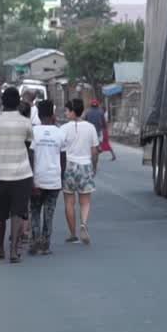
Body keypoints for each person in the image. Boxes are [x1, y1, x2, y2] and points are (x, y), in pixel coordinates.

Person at [0, 87, 35, 263]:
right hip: (22, 174)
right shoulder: (26, 123)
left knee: (0, 215)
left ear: (2, 102)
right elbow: (28, 146)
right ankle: (13, 251)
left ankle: (0, 246)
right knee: (17, 213)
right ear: (18, 102)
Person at [30, 100, 67, 255]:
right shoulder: (60, 133)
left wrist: (31, 179)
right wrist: (61, 177)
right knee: (49, 213)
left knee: (35, 211)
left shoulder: (33, 132)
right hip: (54, 180)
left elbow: (31, 156)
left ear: (38, 115)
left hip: (37, 179)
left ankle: (35, 242)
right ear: (52, 115)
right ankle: (45, 244)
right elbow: (63, 159)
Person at [62, 97, 100, 245]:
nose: (65, 113)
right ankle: (83, 224)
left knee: (69, 202)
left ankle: (73, 234)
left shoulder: (63, 129)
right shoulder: (90, 127)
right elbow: (95, 151)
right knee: (85, 202)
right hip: (85, 166)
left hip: (69, 166)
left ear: (72, 112)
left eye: (67, 111)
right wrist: (94, 167)